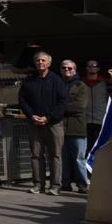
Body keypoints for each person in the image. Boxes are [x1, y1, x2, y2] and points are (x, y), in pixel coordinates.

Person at [17, 51, 68, 196]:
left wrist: (49, 117)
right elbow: (22, 100)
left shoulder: (57, 80)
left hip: (53, 124)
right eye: (38, 60)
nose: (40, 62)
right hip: (34, 123)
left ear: (49, 64)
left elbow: (63, 102)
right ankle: (38, 185)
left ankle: (55, 185)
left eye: (43, 60)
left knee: (55, 155)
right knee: (36, 155)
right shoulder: (29, 81)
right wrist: (31, 115)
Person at [59, 60, 90, 193]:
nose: (67, 70)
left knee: (79, 158)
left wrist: (59, 108)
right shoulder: (58, 85)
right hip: (60, 127)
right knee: (63, 158)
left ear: (75, 70)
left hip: (77, 128)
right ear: (60, 70)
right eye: (64, 68)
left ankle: (82, 184)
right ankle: (65, 183)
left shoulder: (81, 86)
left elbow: (79, 106)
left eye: (70, 68)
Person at [82, 60, 109, 154]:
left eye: (94, 65)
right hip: (86, 120)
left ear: (98, 68)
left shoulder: (105, 83)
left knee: (101, 147)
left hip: (101, 119)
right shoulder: (80, 83)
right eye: (89, 65)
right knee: (86, 147)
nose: (92, 67)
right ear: (86, 68)